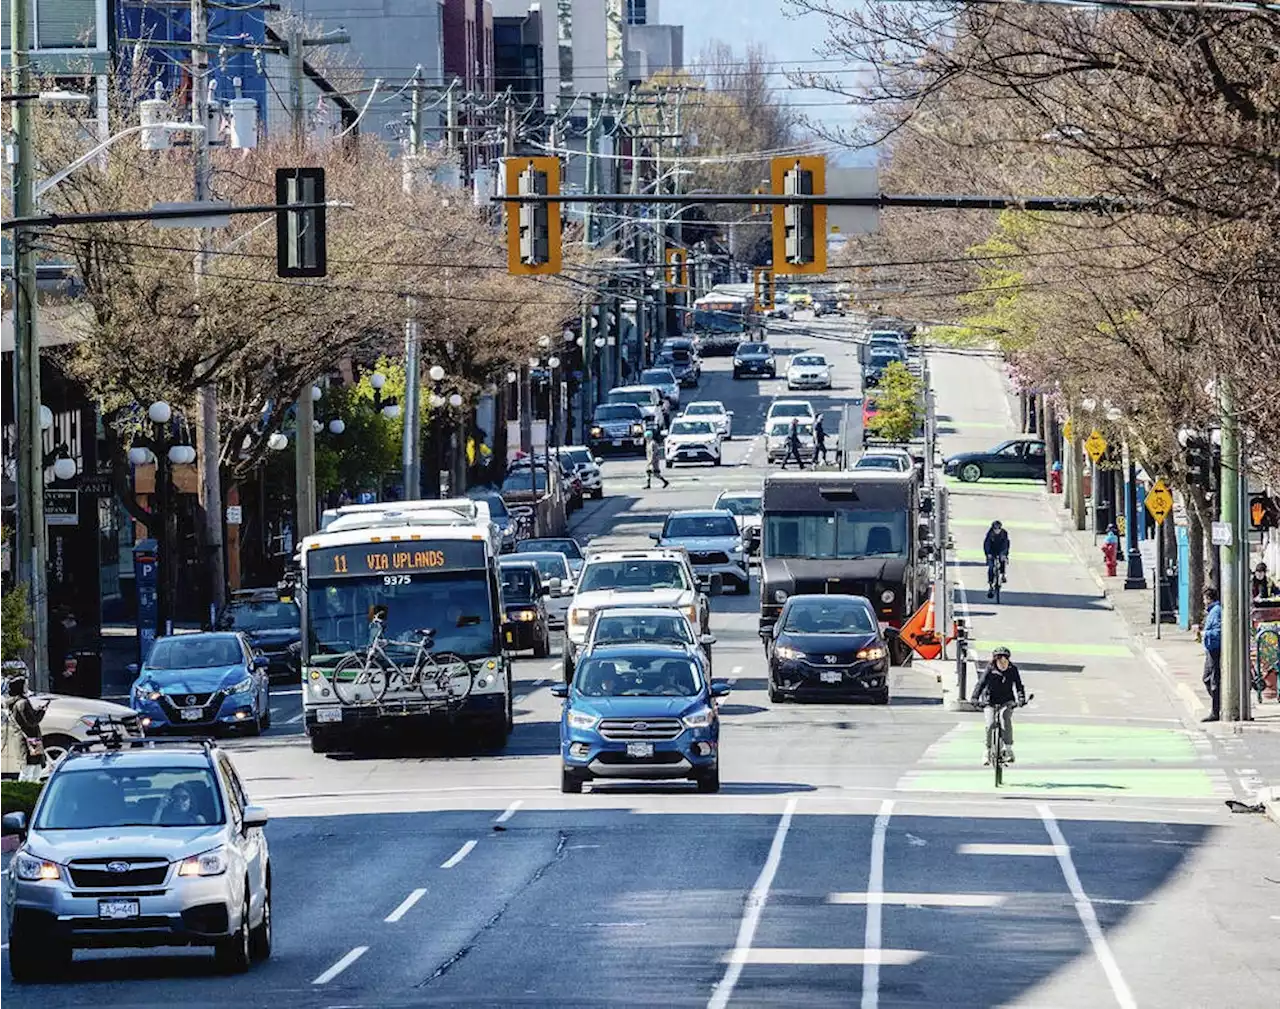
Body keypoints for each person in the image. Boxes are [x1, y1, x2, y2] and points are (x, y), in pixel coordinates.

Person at [970, 646, 1026, 764]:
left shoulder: (1013, 670)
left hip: (1007, 700)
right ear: (995, 660)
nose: (1003, 662)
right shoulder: (990, 669)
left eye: (1005, 659)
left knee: (1005, 717)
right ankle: (987, 751)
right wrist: (975, 698)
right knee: (990, 724)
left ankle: (1009, 749)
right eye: (1000, 659)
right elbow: (981, 684)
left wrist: (1021, 699)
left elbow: (1019, 686)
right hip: (990, 701)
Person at [4, 674, 48, 782]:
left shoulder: (17, 702)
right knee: (28, 770)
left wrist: (37, 711)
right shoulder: (22, 703)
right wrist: (42, 712)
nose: (27, 688)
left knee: (35, 769)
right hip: (28, 741)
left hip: (28, 740)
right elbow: (32, 721)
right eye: (25, 685)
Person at [1202, 587, 1222, 722]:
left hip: (1214, 650)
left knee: (1213, 679)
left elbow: (1218, 632)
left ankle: (1216, 709)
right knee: (1207, 678)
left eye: (1204, 599)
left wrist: (1205, 634)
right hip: (1210, 649)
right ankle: (1218, 704)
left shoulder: (1215, 612)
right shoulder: (1213, 612)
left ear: (1209, 599)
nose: (1203, 602)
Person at [983, 520, 1010, 597]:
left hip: (1001, 550)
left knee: (1002, 560)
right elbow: (987, 544)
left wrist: (1004, 554)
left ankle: (1003, 574)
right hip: (992, 551)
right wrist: (988, 554)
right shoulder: (990, 534)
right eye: (995, 529)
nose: (997, 530)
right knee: (991, 567)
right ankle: (991, 584)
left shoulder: (1004, 533)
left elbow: (1006, 544)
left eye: (998, 529)